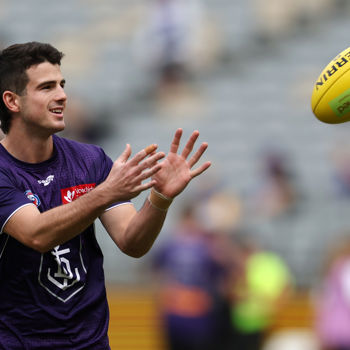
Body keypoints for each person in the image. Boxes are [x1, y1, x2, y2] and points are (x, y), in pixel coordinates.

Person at [0, 41, 211, 349]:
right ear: (12, 101)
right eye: (46, 87)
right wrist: (106, 193)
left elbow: (132, 241)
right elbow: (36, 235)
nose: (62, 95)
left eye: (62, 84)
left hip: (91, 343)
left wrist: (161, 198)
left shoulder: (89, 160)